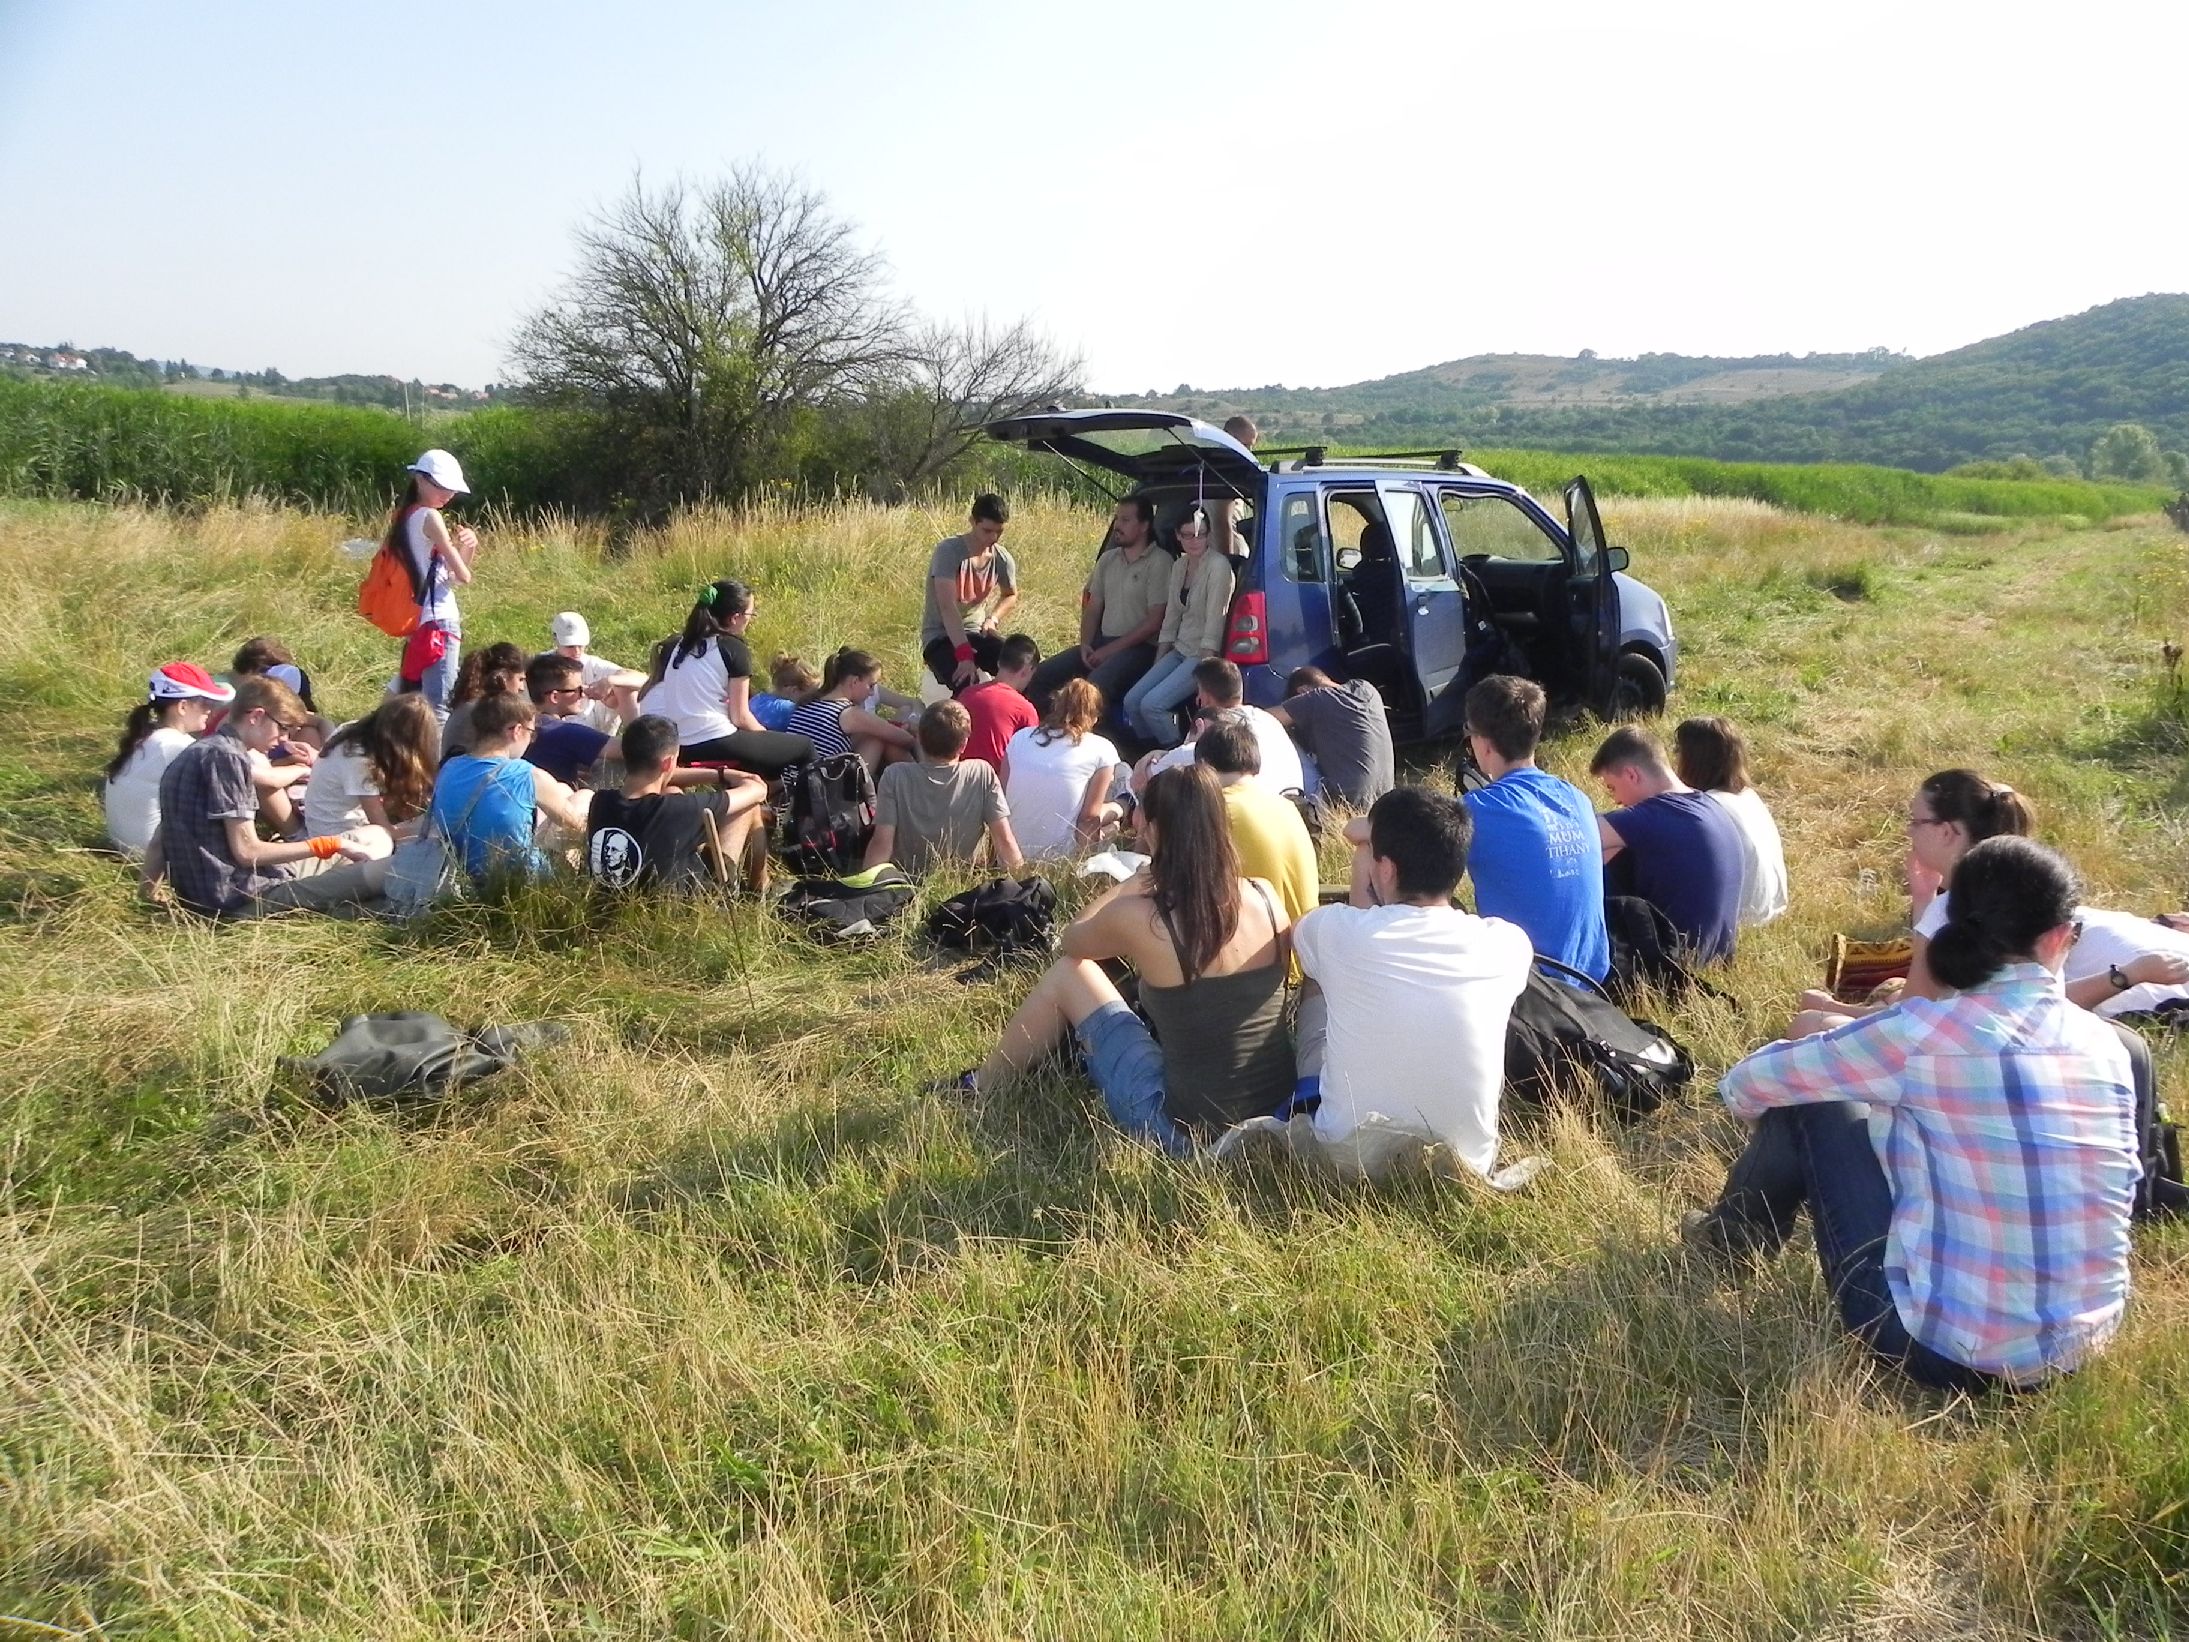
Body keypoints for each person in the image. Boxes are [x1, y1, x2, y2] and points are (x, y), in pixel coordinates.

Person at [1682, 837, 2141, 1392]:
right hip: (2080, 1349)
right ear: (2059, 937)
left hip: (1940, 1351)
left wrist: (1789, 1123)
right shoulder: (2110, 1044)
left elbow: (1746, 1084)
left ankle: (1728, 1244)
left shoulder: (1923, 1034)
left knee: (1809, 1095)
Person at [963, 763, 1293, 1154]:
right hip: (1275, 1118)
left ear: (1153, 830)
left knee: (1068, 974)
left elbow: (1072, 940)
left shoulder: (1143, 917)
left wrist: (1130, 885)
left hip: (1187, 1135)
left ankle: (981, 1086)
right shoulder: (1266, 896)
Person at [1291, 786, 1534, 1175]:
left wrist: (1364, 853)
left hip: (1349, 1160)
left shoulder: (1335, 932)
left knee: (1318, 986)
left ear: (1385, 869)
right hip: (1466, 1166)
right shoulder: (1508, 944)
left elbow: (1301, 933)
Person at [141, 677, 387, 917]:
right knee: (385, 872)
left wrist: (147, 896)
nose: (284, 739)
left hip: (210, 896)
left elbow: (160, 839)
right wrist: (331, 845)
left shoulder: (193, 753)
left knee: (376, 835)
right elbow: (247, 852)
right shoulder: (228, 759)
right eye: (283, 728)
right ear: (256, 716)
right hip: (241, 898)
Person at [1459, 676, 1610, 984]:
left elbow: (1389, 834)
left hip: (1532, 989)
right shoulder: (1577, 798)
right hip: (1591, 984)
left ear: (1484, 745)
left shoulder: (1481, 808)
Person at [1591, 726, 1744, 964]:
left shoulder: (1653, 817)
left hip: (1673, 964)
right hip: (1715, 959)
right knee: (1619, 852)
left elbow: (1575, 835)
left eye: (1613, 788)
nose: (1617, 800)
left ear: (1632, 775)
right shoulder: (1709, 806)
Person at [639, 580, 813, 775]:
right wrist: (767, 737)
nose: (750, 621)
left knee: (763, 758)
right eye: (750, 615)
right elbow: (740, 717)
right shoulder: (733, 648)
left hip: (679, 741)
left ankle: (771, 790)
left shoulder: (682, 645)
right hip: (713, 739)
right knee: (805, 747)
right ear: (735, 618)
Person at [585, 715, 770, 893]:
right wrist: (729, 775)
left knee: (671, 789)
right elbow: (757, 791)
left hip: (616, 904)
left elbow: (660, 777)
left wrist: (721, 774)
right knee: (749, 808)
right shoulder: (676, 809)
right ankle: (759, 890)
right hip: (691, 903)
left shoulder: (600, 801)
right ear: (668, 763)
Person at [1026, 497, 1173, 715]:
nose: (1117, 525)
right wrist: (1086, 644)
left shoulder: (1160, 561)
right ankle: (1047, 729)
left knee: (1093, 687)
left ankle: (1087, 733)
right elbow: (1093, 607)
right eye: (1116, 519)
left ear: (1144, 526)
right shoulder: (1108, 560)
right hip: (1101, 642)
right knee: (1042, 674)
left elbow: (1154, 621)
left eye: (1125, 520)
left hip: (1141, 648)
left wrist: (1109, 651)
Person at [425, 692, 590, 884]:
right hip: (525, 880)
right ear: (516, 730)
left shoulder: (449, 768)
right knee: (584, 797)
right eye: (532, 733)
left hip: (462, 875)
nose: (531, 740)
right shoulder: (527, 775)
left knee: (561, 790)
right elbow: (577, 828)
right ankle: (575, 880)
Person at [865, 700, 1022, 877]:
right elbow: (1004, 840)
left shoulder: (895, 775)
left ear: (919, 738)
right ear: (963, 745)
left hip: (906, 881)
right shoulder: (981, 773)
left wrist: (865, 885)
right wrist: (1023, 884)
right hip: (961, 884)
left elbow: (881, 844)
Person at [1122, 506, 1236, 746]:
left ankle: (1175, 751)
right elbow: (1171, 617)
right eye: (1188, 535)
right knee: (1131, 701)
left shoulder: (1218, 567)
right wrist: (1158, 662)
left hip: (1201, 654)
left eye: (1200, 535)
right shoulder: (1179, 566)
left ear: (1208, 534)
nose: (1195, 541)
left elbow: (1215, 622)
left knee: (1152, 705)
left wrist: (1205, 677)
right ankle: (1147, 750)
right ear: (1177, 536)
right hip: (1179, 649)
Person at [1195, 718, 1317, 927]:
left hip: (1259, 943)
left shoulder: (1217, 812)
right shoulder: (1287, 807)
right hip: (1303, 941)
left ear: (1203, 765)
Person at [387, 448, 479, 720]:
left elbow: (449, 577)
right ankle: (437, 750)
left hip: (419, 621)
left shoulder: (405, 516)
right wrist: (467, 547)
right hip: (440, 623)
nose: (448, 494)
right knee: (439, 708)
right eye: (441, 486)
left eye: (451, 489)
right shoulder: (430, 517)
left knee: (416, 703)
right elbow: (463, 576)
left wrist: (467, 549)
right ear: (420, 480)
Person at [104, 663, 232, 856]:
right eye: (205, 703)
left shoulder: (146, 737)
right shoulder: (175, 745)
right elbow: (243, 775)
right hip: (152, 855)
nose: (210, 710)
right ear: (182, 707)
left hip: (125, 846)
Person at [1674, 715, 1789, 927]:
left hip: (1741, 919)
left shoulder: (1707, 806)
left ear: (1694, 759)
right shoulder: (1748, 796)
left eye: (1678, 751)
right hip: (1770, 910)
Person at [1141, 658, 1304, 796]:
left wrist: (1151, 759)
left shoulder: (1219, 734)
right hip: (1296, 808)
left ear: (1204, 698)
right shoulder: (1268, 719)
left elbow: (1146, 778)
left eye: (1199, 692)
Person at [1002, 679, 1124, 859]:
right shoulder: (1102, 748)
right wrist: (1085, 863)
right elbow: (1089, 819)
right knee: (1113, 824)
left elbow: (1002, 797)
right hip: (1060, 857)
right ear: (1094, 717)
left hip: (1010, 853)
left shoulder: (1020, 738)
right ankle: (1124, 805)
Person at [301, 693, 439, 849]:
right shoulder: (359, 760)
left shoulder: (354, 730)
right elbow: (383, 828)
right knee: (394, 840)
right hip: (334, 836)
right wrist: (428, 834)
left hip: (331, 821)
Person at [920, 493, 1020, 691]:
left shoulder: (1002, 558)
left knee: (1019, 668)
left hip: (976, 632)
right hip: (940, 635)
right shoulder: (949, 551)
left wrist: (993, 619)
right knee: (966, 682)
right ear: (973, 522)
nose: (993, 538)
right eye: (987, 531)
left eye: (999, 532)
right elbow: (947, 606)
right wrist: (964, 655)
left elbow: (1010, 594)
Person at [1266, 666, 1394, 810]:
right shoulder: (1366, 689)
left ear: (1303, 691)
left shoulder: (1315, 698)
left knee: (1281, 734)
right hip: (1383, 799)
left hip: (1342, 801)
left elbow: (1259, 718)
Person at [785, 648, 918, 774]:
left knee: (869, 735)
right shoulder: (848, 713)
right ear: (854, 681)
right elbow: (906, 740)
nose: (872, 693)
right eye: (871, 685)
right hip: (821, 785)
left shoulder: (808, 701)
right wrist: (908, 730)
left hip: (792, 781)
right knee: (878, 738)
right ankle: (920, 779)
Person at [523, 653, 615, 788]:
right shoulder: (565, 732)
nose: (583, 695)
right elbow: (634, 748)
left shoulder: (521, 725)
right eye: (577, 690)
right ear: (555, 697)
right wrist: (623, 703)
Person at [549, 611, 645, 734]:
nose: (577, 652)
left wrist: (610, 681)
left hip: (596, 729)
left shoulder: (593, 665)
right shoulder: (541, 665)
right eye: (570, 646)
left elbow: (646, 680)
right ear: (556, 640)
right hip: (553, 729)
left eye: (581, 645)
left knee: (623, 686)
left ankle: (638, 737)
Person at [958, 633, 1041, 771]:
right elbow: (1032, 758)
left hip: (961, 776)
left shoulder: (966, 694)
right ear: (1027, 670)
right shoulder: (1025, 710)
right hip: (996, 781)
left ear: (999, 663)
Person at [439, 642, 529, 758]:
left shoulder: (472, 704)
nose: (522, 688)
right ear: (504, 677)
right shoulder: (489, 710)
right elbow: (512, 754)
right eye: (520, 679)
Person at [752, 654, 820, 732]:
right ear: (794, 691)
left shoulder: (757, 698)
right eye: (812, 695)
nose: (815, 699)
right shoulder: (788, 710)